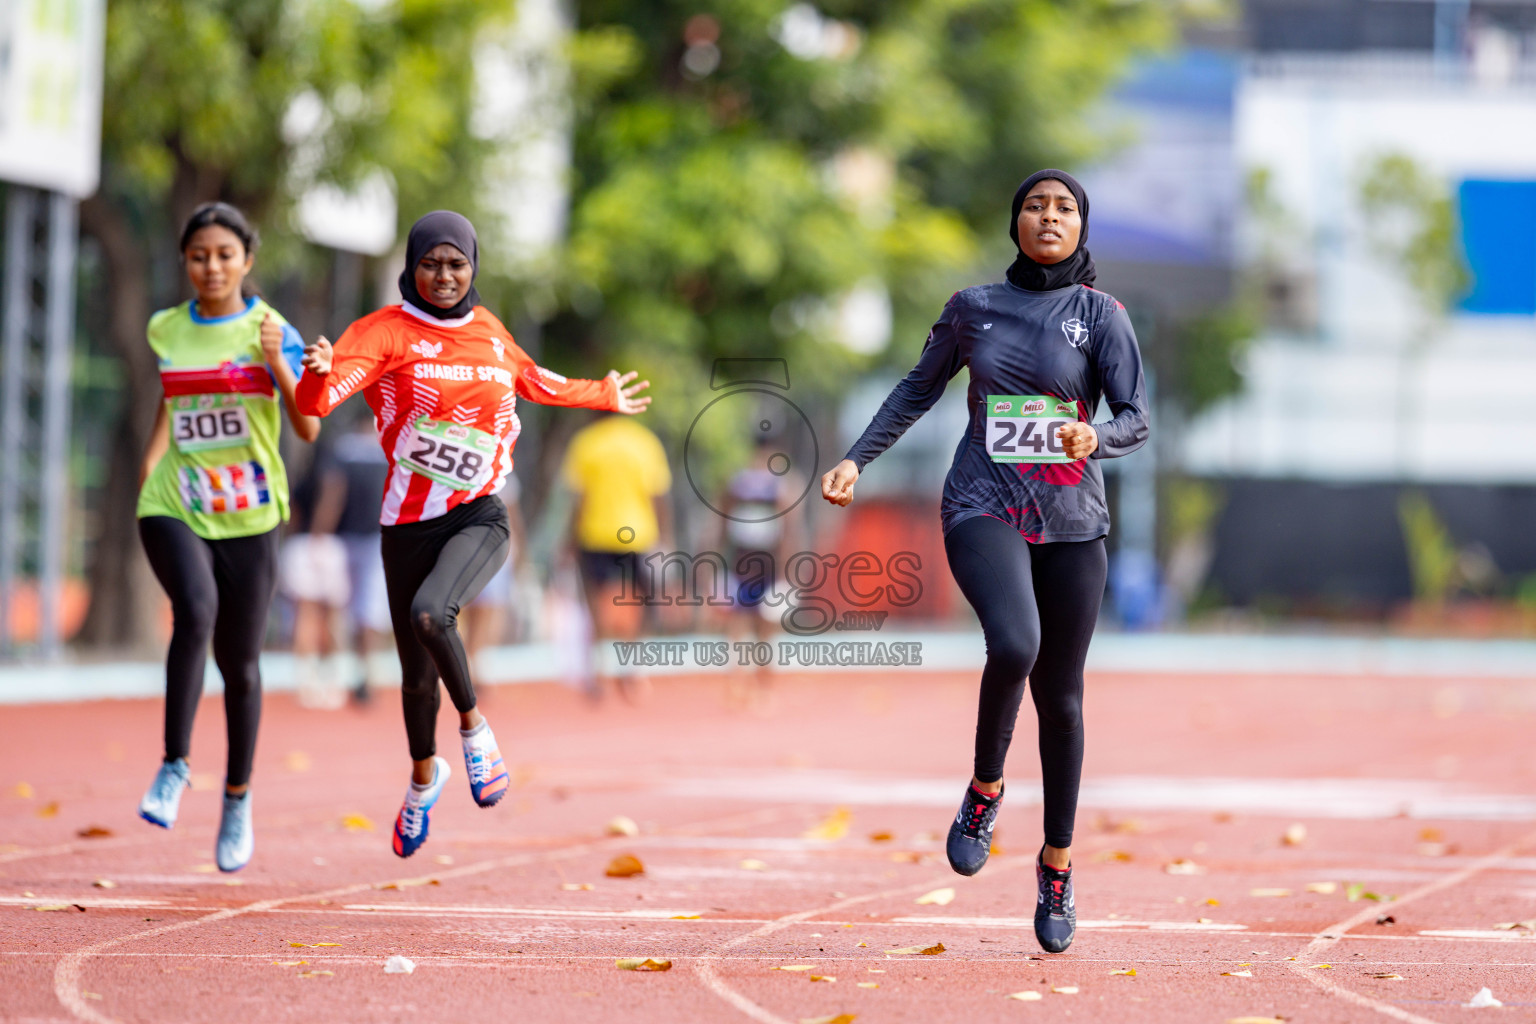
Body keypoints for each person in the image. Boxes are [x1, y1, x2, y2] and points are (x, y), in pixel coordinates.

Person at [820, 170, 1148, 953]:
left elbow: (1136, 416)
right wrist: (856, 461)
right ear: (1015, 221)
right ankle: (984, 787)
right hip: (982, 503)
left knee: (1061, 700)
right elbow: (915, 389)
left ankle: (1058, 866)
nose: (1048, 216)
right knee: (1015, 644)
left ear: (1081, 228)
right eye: (1034, 204)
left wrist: (1094, 436)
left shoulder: (1101, 316)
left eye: (1064, 208)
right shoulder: (974, 309)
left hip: (1072, 519)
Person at [295, 211, 652, 858]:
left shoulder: (489, 333)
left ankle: (476, 728)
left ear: (473, 268)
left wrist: (602, 394)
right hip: (406, 523)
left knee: (434, 616)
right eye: (431, 263)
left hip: (478, 515)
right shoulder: (382, 334)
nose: (444, 275)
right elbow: (319, 402)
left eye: (456, 263)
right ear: (412, 266)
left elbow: (536, 381)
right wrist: (317, 371)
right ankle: (422, 781)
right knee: (412, 678)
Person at [135, 201, 321, 872]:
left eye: (223, 255)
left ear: (246, 260)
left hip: (250, 513)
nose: (210, 267)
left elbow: (308, 427)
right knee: (195, 610)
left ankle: (237, 797)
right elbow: (172, 393)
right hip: (174, 501)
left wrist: (278, 362)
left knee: (240, 665)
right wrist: (152, 459)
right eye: (197, 256)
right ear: (185, 262)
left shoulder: (274, 330)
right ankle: (175, 764)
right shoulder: (165, 327)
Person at [561, 413, 673, 701]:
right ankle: (633, 670)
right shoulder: (644, 442)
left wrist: (568, 540)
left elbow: (579, 498)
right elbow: (657, 495)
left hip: (594, 533)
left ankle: (597, 670)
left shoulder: (586, 442)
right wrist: (665, 538)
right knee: (641, 604)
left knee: (595, 605)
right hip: (638, 534)